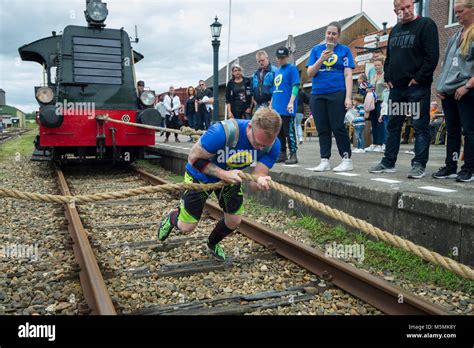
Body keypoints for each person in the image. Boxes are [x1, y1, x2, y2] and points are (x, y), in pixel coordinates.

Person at [156, 107, 282, 261]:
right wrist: (222, 174)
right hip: (200, 175)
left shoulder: (272, 146)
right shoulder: (222, 133)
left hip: (231, 176)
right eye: (257, 142)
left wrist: (260, 180)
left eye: (265, 145)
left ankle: (212, 243)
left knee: (234, 220)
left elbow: (255, 181)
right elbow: (193, 159)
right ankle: (172, 217)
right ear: (250, 126)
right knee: (186, 227)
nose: (260, 148)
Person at [369, 0, 439, 179]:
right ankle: (388, 162)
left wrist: (418, 79)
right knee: (393, 125)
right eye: (401, 9)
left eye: (408, 7)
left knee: (419, 126)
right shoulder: (395, 30)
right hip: (397, 90)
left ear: (413, 6)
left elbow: (432, 57)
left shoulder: (425, 25)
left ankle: (418, 164)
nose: (406, 11)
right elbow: (389, 58)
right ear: (395, 11)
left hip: (415, 89)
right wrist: (388, 77)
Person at [433, 0, 473, 182]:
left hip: (466, 91)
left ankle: (469, 169)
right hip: (449, 93)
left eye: (460, 11)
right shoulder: (455, 36)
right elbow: (446, 65)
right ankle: (451, 166)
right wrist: (440, 87)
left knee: (469, 131)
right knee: (452, 131)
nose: (457, 15)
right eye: (455, 12)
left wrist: (467, 86)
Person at [306, 21, 355, 172]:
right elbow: (309, 74)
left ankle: (346, 159)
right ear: (325, 34)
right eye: (329, 33)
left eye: (334, 34)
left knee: (338, 126)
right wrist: (321, 59)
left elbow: (348, 74)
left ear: (338, 35)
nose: (331, 36)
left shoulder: (344, 50)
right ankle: (324, 159)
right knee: (322, 128)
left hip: (337, 92)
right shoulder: (316, 50)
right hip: (318, 93)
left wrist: (348, 97)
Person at [271, 46, 300, 164]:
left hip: (287, 107)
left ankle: (293, 154)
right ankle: (282, 153)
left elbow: (295, 86)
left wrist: (291, 102)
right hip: (277, 107)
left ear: (287, 57)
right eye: (279, 58)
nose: (281, 60)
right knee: (279, 132)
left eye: (283, 57)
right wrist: (271, 105)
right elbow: (274, 89)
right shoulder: (276, 71)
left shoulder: (292, 69)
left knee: (289, 132)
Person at [366, 58, 386, 152]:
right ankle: (375, 143)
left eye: (379, 65)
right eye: (375, 65)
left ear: (382, 65)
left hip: (381, 100)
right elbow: (370, 87)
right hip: (373, 101)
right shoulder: (373, 75)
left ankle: (382, 143)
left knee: (380, 122)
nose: (377, 67)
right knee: (373, 122)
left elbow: (388, 87)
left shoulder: (385, 75)